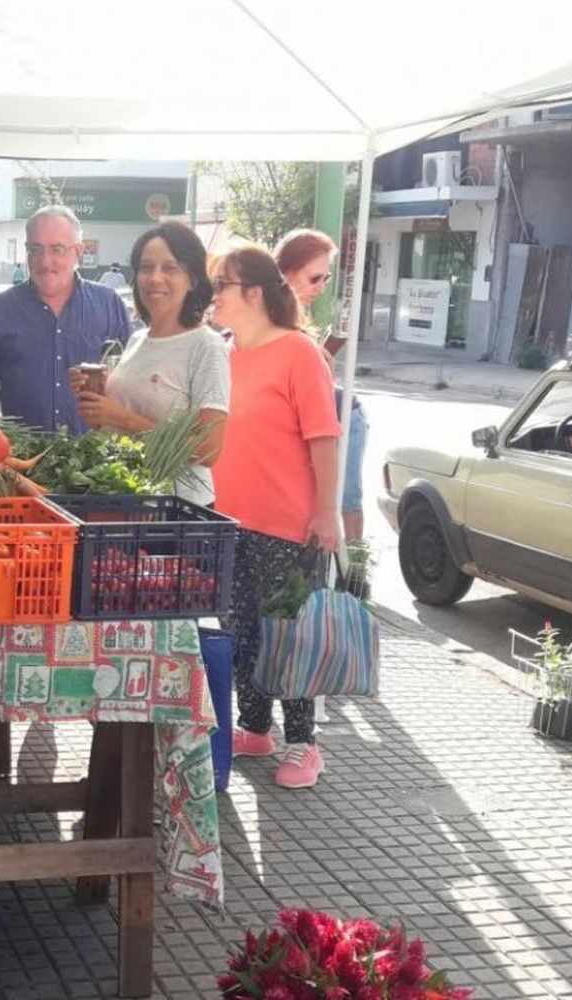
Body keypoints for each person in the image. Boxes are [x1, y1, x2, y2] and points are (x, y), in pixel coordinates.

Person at [210, 244, 341, 790]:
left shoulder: (298, 352)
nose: (213, 294)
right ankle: (256, 727)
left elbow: (325, 438)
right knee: (240, 631)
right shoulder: (223, 353)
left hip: (290, 526)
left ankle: (304, 744)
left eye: (223, 284)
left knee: (289, 637)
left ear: (254, 292)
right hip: (231, 521)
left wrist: (327, 512)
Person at [72, 223, 228, 505]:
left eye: (170, 268)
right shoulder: (137, 340)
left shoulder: (206, 346)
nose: (154, 278)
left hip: (178, 512)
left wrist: (121, 417)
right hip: (128, 501)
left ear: (192, 278)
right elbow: (113, 425)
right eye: (146, 268)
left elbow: (208, 450)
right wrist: (96, 401)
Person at [0, 205, 131, 432]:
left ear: (78, 251)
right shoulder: (1, 309)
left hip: (95, 460)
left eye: (57, 249)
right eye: (35, 250)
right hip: (20, 460)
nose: (45, 261)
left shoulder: (108, 304)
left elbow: (132, 384)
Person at [276, 228, 369, 542]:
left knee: (344, 502)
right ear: (285, 274)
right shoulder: (272, 322)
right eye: (315, 279)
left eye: (325, 279)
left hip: (342, 416)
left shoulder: (296, 326)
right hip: (321, 420)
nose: (321, 288)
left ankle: (352, 571)